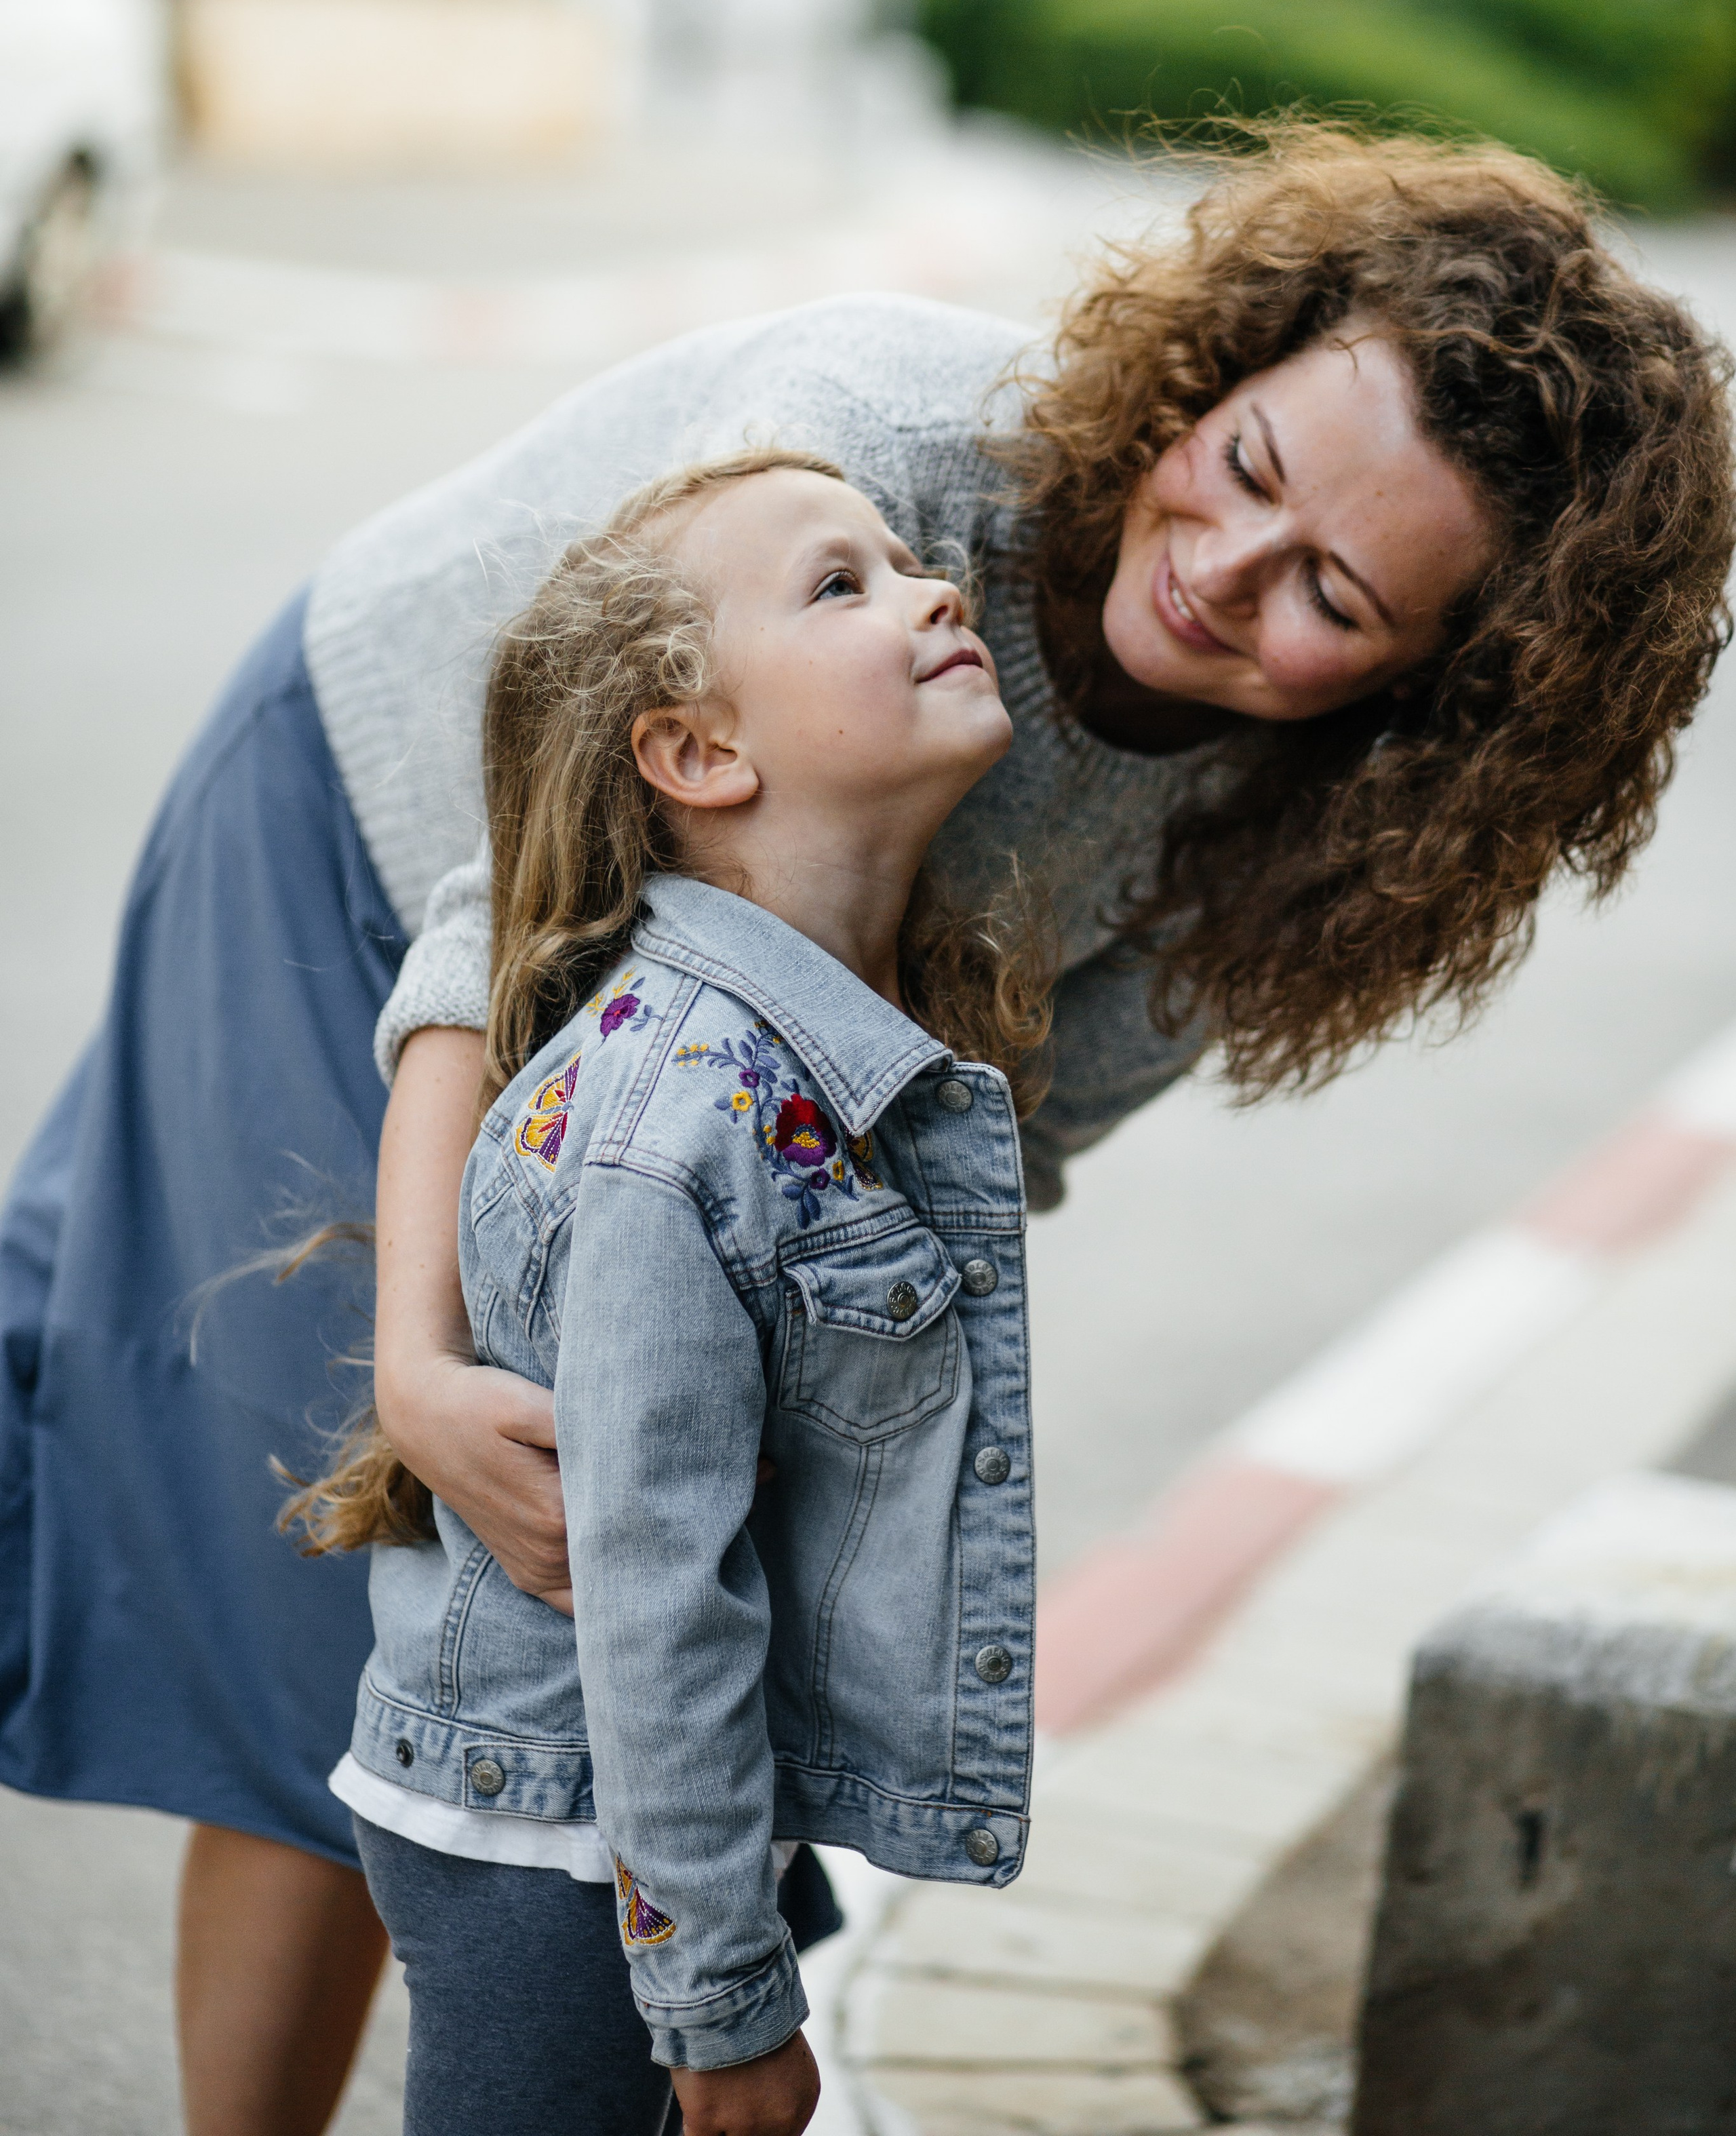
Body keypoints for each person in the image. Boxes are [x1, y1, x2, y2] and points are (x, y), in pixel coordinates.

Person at [0, 123, 1729, 2136]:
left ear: (1448, 682)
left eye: (1333, 594)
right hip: (389, 870)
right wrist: (419, 1359)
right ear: (1227, 367)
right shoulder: (871, 468)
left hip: (690, 1083)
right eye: (1245, 471)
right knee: (366, 1643)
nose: (1223, 574)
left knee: (638, 1641)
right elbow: (517, 912)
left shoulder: (1292, 847)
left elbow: (961, 1161)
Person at [296, 445, 1047, 2136]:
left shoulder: (803, 1059)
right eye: (840, 584)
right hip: (565, 1840)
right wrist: (716, 2006)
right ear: (697, 753)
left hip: (656, 1809)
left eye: (906, 559)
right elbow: (649, 1601)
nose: (934, 592)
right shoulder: (673, 1130)